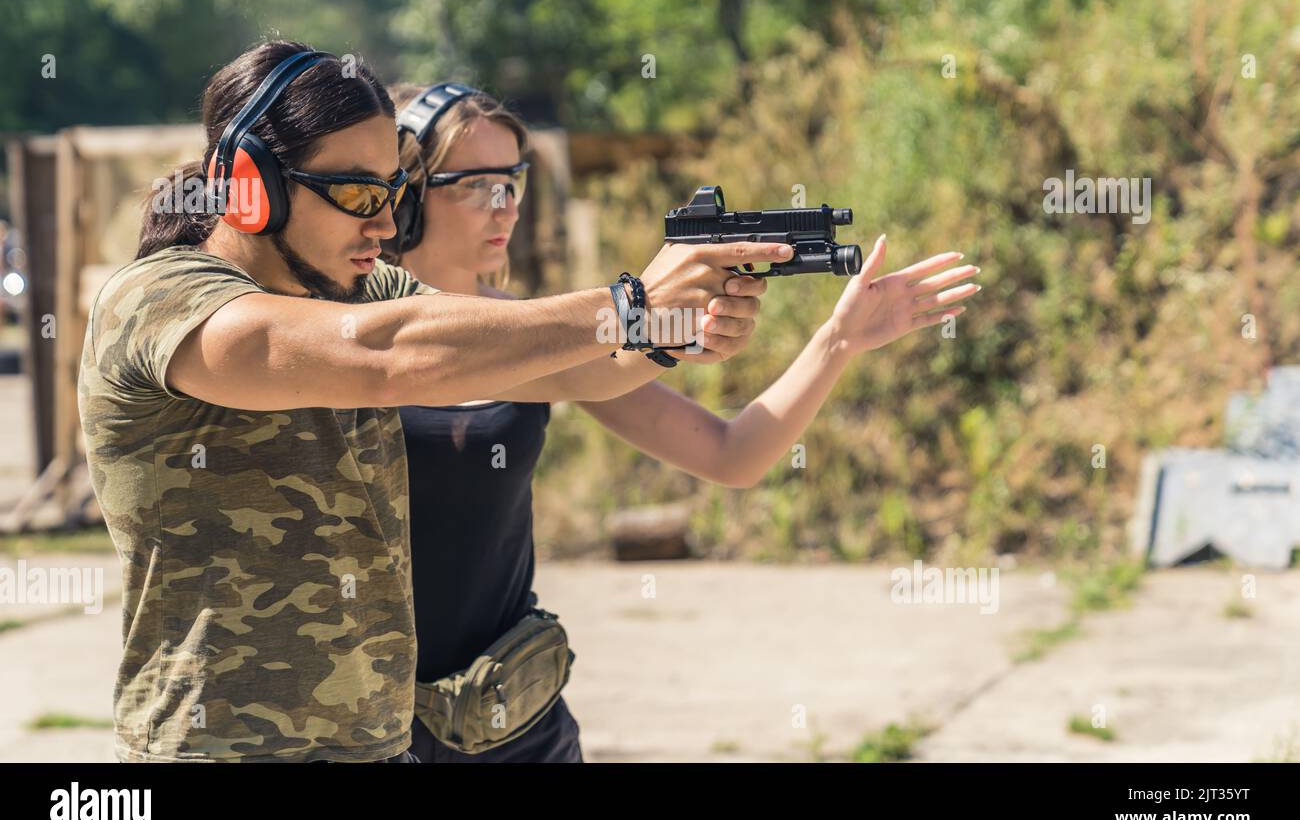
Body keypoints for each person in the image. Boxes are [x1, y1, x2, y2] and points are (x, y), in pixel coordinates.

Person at [76, 42, 783, 762]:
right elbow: (384, 356)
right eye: (355, 194)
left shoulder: (366, 289)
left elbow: (563, 369)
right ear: (252, 184)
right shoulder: (159, 301)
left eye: (389, 193)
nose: (383, 226)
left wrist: (671, 329)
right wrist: (630, 303)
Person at [385, 82, 982, 762]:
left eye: (514, 181)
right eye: (478, 185)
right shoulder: (345, 340)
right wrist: (648, 320)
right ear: (404, 197)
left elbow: (733, 454)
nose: (508, 206)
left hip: (513, 723)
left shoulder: (545, 334)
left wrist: (836, 341)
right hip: (371, 729)